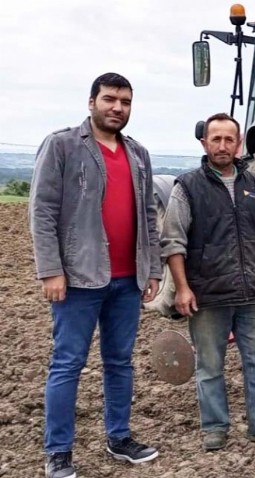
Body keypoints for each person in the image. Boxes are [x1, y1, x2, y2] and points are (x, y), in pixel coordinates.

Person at [30, 73, 162, 478]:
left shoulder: (138, 153)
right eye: (109, 99)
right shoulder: (63, 145)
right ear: (92, 102)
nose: (117, 108)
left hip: (127, 279)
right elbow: (42, 210)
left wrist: (152, 267)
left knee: (120, 362)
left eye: (124, 101)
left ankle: (119, 437)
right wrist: (51, 270)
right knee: (68, 363)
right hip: (79, 278)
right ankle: (59, 451)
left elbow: (149, 216)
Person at [160, 113, 255, 451]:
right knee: (210, 366)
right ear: (205, 143)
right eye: (216, 139)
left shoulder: (254, 186)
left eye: (229, 140)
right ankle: (215, 428)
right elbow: (173, 241)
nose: (223, 146)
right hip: (208, 294)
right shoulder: (187, 187)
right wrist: (182, 287)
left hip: (251, 291)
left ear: (238, 145)